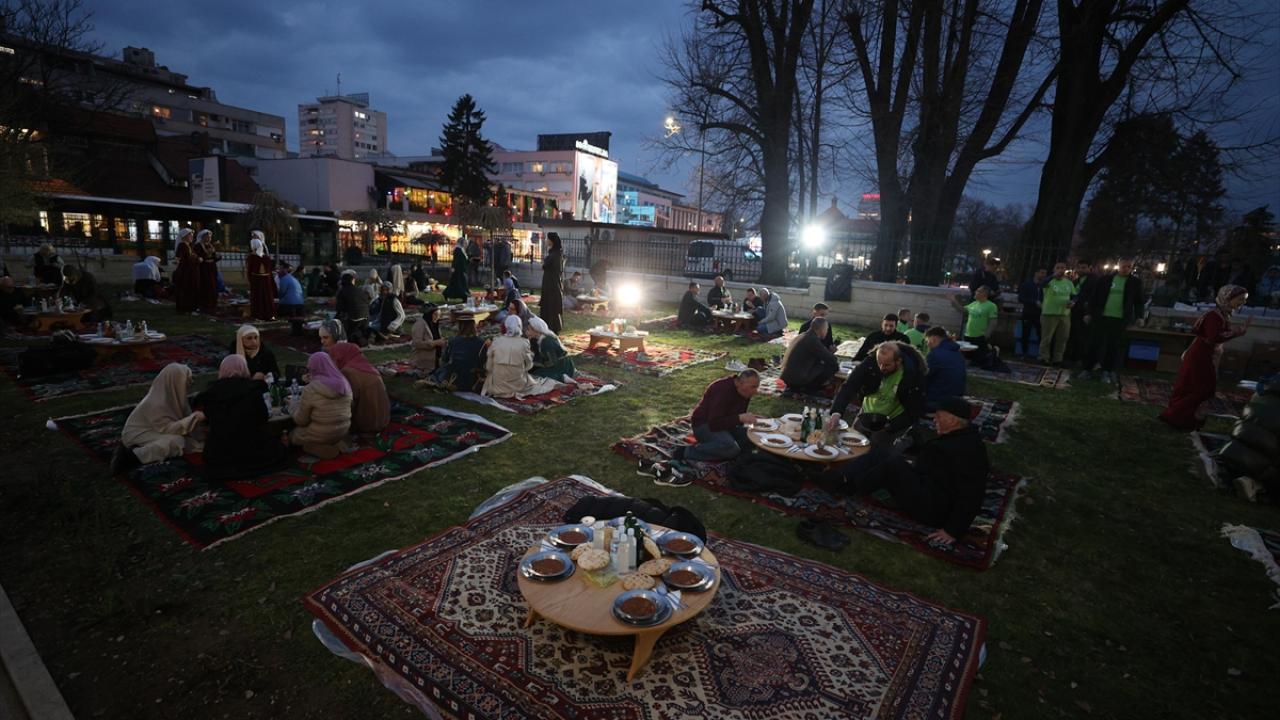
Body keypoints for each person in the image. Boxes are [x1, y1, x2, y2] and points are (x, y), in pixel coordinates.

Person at [819, 396, 989, 549]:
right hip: (929, 488)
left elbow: (973, 493)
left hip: (933, 509)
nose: (934, 418)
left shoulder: (967, 449)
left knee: (893, 465)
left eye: (939, 415)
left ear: (953, 421)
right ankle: (841, 476)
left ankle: (847, 488)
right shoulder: (960, 438)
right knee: (880, 452)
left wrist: (953, 530)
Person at [1160, 285, 1251, 430]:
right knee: (1198, 388)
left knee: (1200, 388)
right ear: (1228, 298)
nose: (1242, 303)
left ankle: (1187, 420)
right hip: (1200, 356)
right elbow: (1212, 337)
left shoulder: (1223, 314)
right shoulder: (1214, 316)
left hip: (1206, 355)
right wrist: (1236, 333)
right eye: (1240, 299)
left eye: (1244, 300)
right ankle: (1177, 418)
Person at [197, 355, 289, 480]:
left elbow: (210, 419)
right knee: (279, 448)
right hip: (251, 449)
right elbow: (262, 417)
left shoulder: (212, 393)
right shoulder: (252, 390)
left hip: (220, 453)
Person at [113, 363, 204, 475]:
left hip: (157, 429)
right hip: (139, 433)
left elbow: (183, 420)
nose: (190, 383)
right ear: (175, 381)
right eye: (187, 379)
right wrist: (194, 418)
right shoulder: (155, 403)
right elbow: (167, 428)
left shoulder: (175, 398)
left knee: (190, 441)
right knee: (176, 441)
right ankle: (134, 456)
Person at [831, 340, 927, 447]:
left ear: (898, 361)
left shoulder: (912, 375)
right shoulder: (870, 362)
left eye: (887, 365)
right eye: (879, 363)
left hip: (891, 421)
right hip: (866, 415)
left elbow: (915, 409)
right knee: (852, 447)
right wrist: (836, 413)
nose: (881, 368)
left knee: (876, 453)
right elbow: (849, 386)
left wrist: (891, 426)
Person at [1079, 258, 1145, 384]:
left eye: (1129, 267)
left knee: (1113, 346)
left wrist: (1139, 317)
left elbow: (1139, 302)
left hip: (1119, 319)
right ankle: (1087, 368)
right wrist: (1088, 313)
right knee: (1094, 342)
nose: (1126, 269)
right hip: (1101, 317)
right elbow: (1094, 297)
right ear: (1118, 266)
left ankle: (1107, 370)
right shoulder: (1105, 280)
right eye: (1124, 266)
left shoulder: (1135, 282)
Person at [674, 369, 761, 462]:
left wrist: (749, 419)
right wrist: (740, 418)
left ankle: (730, 452)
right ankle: (688, 452)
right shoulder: (721, 389)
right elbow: (714, 423)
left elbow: (737, 418)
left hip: (726, 426)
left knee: (754, 435)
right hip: (704, 425)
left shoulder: (744, 392)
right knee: (731, 448)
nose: (756, 391)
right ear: (740, 383)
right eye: (753, 387)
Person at [288, 352, 353, 459]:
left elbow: (301, 421)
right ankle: (335, 443)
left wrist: (293, 406)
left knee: (293, 436)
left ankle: (319, 447)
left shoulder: (311, 389)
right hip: (343, 429)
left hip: (320, 433)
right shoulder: (344, 383)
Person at [482, 316, 559, 398]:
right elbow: (529, 365)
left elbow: (488, 367)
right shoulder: (524, 343)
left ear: (506, 326)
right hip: (518, 385)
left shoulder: (496, 341)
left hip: (498, 387)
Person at [328, 341, 391, 435]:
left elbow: (347, 402)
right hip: (383, 418)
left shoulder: (348, 371)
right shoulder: (364, 366)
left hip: (368, 423)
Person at [780, 317, 839, 394]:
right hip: (795, 381)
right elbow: (832, 359)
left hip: (786, 377)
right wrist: (831, 352)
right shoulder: (812, 340)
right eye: (826, 329)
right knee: (833, 366)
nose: (827, 332)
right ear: (821, 329)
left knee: (821, 363)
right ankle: (812, 387)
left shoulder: (804, 335)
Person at [431, 319, 487, 392]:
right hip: (470, 379)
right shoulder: (481, 343)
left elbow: (444, 360)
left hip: (452, 376)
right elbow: (483, 364)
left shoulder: (452, 341)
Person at [1038, 262, 1076, 366]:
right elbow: (1042, 284)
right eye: (1058, 268)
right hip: (1049, 313)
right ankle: (1043, 357)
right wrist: (1052, 276)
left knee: (1063, 337)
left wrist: (1073, 302)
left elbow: (1074, 295)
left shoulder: (1069, 283)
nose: (1060, 270)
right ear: (1054, 269)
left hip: (1064, 314)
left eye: (1063, 268)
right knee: (1047, 337)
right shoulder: (1049, 281)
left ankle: (1058, 359)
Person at [923, 326, 966, 411]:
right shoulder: (957, 352)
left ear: (934, 338)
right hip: (957, 398)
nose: (927, 344)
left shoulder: (935, 354)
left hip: (939, 401)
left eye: (927, 340)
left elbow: (923, 375)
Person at [951, 286, 999, 359]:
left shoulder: (991, 306)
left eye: (978, 291)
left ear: (984, 294)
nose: (975, 292)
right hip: (968, 335)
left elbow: (993, 322)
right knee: (967, 358)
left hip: (980, 336)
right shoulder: (974, 303)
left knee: (979, 359)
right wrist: (954, 301)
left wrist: (987, 334)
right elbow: (962, 310)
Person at [1065, 261, 1097, 365]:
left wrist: (1088, 312)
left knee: (1082, 336)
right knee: (1073, 335)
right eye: (1079, 268)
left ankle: (1080, 358)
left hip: (1084, 312)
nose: (1081, 270)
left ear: (1089, 268)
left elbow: (1091, 296)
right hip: (1075, 311)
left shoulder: (1093, 280)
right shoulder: (1077, 280)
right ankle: (1073, 357)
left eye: (1083, 268)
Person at [526, 315, 576, 381]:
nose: (527, 332)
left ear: (536, 330)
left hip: (563, 366)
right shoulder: (542, 339)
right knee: (533, 371)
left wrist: (535, 363)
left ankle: (562, 377)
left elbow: (552, 362)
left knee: (537, 374)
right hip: (559, 363)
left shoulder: (546, 342)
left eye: (528, 329)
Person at [335, 271, 371, 346]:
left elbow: (339, 308)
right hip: (366, 318)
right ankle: (359, 337)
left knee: (339, 320)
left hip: (353, 320)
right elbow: (367, 302)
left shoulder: (342, 291)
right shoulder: (359, 290)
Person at [246, 231, 276, 321]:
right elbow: (249, 269)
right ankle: (258, 314)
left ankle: (269, 314)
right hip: (257, 279)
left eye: (255, 236)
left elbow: (269, 266)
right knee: (257, 296)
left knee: (267, 296)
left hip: (266, 278)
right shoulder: (251, 256)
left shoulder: (265, 254)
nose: (254, 238)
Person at [1017, 269, 1046, 358]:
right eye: (1042, 273)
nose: (1043, 275)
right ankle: (1024, 352)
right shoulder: (1027, 285)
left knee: (1041, 333)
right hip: (1028, 312)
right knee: (1025, 333)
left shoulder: (1044, 286)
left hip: (1040, 313)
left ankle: (1040, 353)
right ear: (1036, 273)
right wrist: (1034, 302)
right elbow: (1021, 298)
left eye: (1045, 273)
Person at [410, 304, 447, 372]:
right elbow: (417, 344)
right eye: (435, 314)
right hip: (423, 361)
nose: (438, 317)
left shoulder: (434, 324)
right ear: (429, 314)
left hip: (434, 358)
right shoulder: (419, 325)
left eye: (439, 315)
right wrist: (435, 343)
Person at [540, 232, 565, 334]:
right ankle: (551, 328)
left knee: (550, 309)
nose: (546, 241)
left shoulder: (554, 255)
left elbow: (545, 266)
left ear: (552, 241)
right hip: (551, 285)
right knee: (550, 309)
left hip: (551, 286)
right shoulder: (556, 253)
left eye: (547, 239)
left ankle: (551, 329)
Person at [173, 228, 199, 314]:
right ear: (184, 236)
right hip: (186, 271)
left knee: (190, 289)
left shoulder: (187, 245)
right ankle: (186, 308)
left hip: (189, 270)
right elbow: (188, 258)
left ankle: (189, 307)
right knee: (186, 289)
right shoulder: (183, 245)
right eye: (190, 235)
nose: (192, 237)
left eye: (192, 235)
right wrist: (197, 259)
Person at [194, 229, 219, 313]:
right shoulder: (198, 246)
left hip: (212, 268)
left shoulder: (210, 245)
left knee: (213, 285)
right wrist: (208, 253)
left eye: (210, 237)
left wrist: (217, 256)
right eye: (207, 237)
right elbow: (199, 257)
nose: (209, 238)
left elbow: (214, 257)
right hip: (204, 268)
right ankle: (205, 304)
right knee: (206, 285)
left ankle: (213, 303)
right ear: (202, 237)